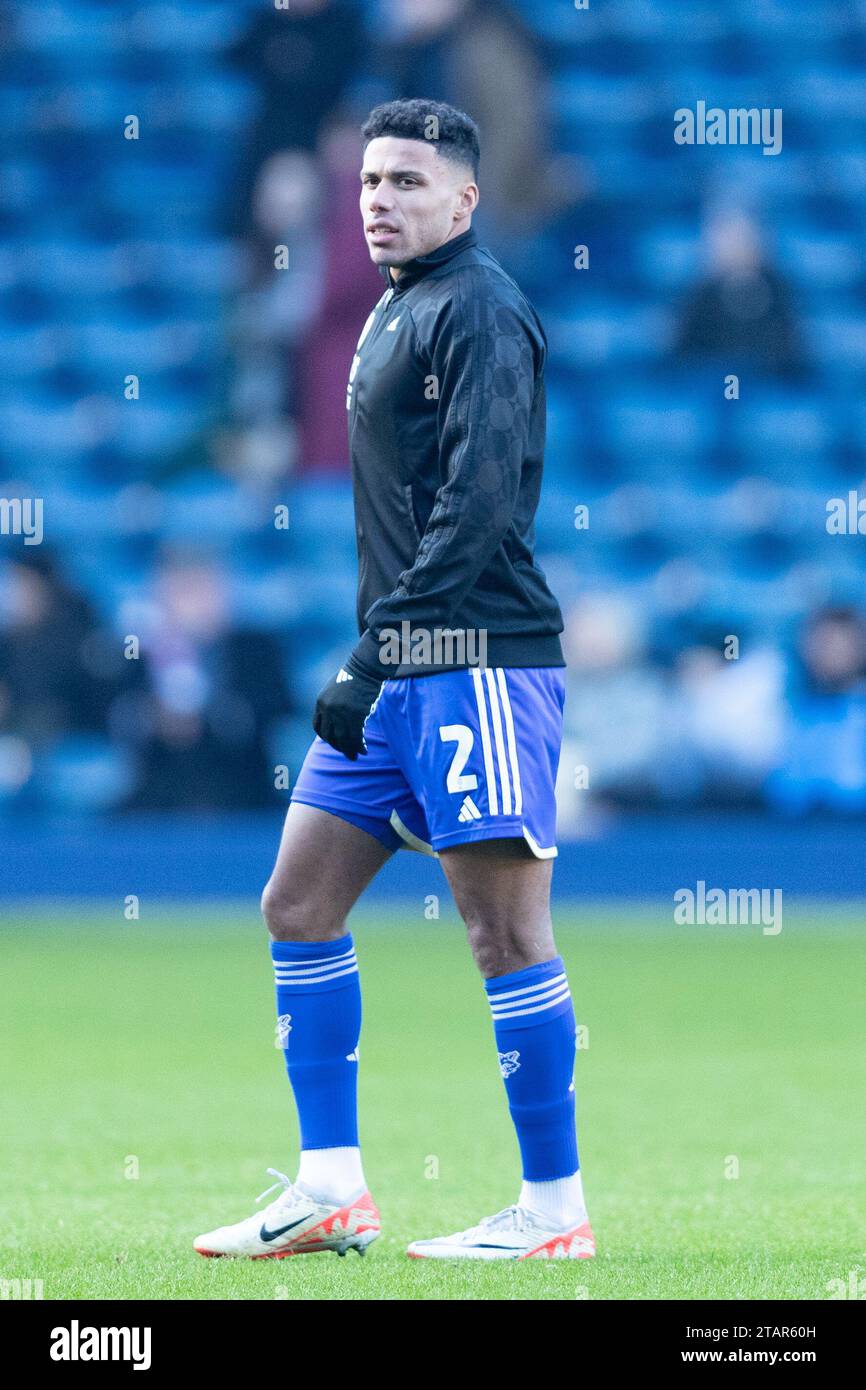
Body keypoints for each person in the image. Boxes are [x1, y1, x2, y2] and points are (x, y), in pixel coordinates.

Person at [194, 98, 595, 1263]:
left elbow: (478, 509)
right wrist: (380, 656)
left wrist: (371, 653)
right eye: (370, 181)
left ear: (465, 199)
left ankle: (552, 1209)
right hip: (401, 662)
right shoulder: (392, 307)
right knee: (297, 905)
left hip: (471, 659)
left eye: (409, 183)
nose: (380, 199)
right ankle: (331, 1190)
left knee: (504, 934)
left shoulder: (477, 308)